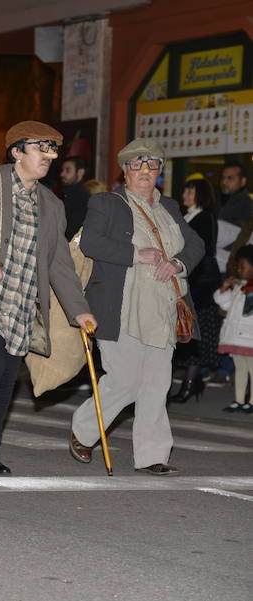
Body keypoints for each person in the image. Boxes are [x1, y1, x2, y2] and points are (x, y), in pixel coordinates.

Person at [0, 121, 96, 477]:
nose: (49, 158)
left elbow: (59, 263)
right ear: (17, 151)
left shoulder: (52, 205)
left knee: (7, 375)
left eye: (54, 151)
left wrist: (80, 311)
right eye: (42, 149)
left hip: (21, 303)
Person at [69, 138, 204, 475]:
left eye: (152, 165)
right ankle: (83, 430)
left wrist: (177, 263)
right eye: (137, 165)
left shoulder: (169, 207)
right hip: (121, 307)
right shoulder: (107, 203)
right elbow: (90, 241)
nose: (145, 171)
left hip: (163, 307)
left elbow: (197, 243)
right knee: (125, 381)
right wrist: (135, 254)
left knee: (157, 385)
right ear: (125, 171)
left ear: (159, 172)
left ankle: (152, 455)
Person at [168, 178, 221, 403]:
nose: (185, 193)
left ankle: (189, 384)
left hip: (199, 282)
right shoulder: (185, 215)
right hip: (187, 279)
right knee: (183, 332)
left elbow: (202, 249)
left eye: (191, 190)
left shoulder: (204, 217)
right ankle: (188, 384)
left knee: (191, 331)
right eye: (185, 188)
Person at [213, 245, 253, 413]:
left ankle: (251, 401)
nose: (239, 270)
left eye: (242, 267)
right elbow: (226, 305)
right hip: (236, 338)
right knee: (240, 368)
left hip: (250, 339)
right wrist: (224, 289)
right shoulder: (239, 288)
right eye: (238, 266)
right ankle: (238, 400)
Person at [59, 156, 90, 240]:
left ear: (80, 173)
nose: (62, 174)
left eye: (68, 170)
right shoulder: (63, 194)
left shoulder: (83, 199)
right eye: (62, 170)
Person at [217, 161, 250, 227]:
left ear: (243, 181)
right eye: (223, 178)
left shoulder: (247, 206)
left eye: (230, 178)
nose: (224, 182)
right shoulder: (215, 200)